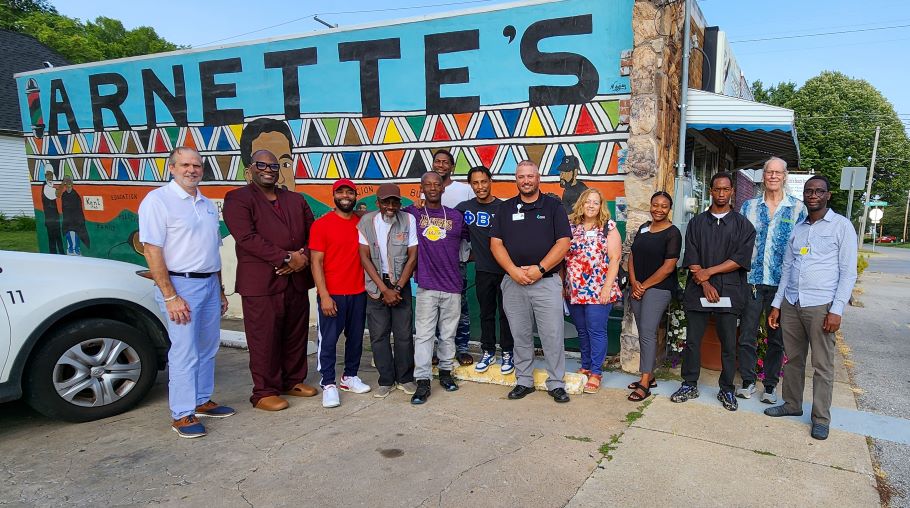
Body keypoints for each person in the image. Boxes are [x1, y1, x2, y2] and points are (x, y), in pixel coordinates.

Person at [138, 147, 234, 439]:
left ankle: (201, 399)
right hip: (181, 285)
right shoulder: (158, 201)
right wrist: (170, 295)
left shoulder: (205, 203)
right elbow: (152, 250)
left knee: (207, 348)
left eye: (197, 165)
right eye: (185, 165)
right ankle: (181, 413)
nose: (192, 170)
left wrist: (219, 290)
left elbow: (212, 251)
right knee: (184, 351)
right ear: (172, 168)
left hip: (207, 283)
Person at [223, 149, 318, 412]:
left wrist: (302, 257)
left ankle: (292, 380)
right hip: (262, 282)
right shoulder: (238, 199)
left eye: (273, 166)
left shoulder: (296, 200)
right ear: (250, 169)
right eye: (262, 165)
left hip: (296, 280)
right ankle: (264, 391)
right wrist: (286, 258)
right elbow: (246, 237)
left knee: (295, 333)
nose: (268, 170)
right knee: (264, 338)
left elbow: (314, 233)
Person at [765, 175, 857, 441]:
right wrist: (776, 304)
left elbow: (847, 272)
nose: (813, 194)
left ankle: (820, 418)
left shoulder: (842, 226)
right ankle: (792, 404)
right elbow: (787, 269)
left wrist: (836, 309)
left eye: (819, 191)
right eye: (809, 191)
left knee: (822, 365)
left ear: (828, 195)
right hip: (792, 303)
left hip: (821, 306)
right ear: (803, 195)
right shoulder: (799, 228)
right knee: (793, 359)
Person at [670, 171, 755, 412]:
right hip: (699, 291)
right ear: (710, 191)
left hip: (729, 291)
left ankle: (726, 388)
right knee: (693, 341)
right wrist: (705, 282)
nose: (721, 193)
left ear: (732, 192)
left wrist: (710, 273)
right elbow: (692, 255)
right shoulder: (697, 223)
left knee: (728, 344)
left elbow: (740, 259)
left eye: (725, 189)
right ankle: (689, 384)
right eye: (717, 189)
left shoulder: (742, 225)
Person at [491, 160, 572, 403]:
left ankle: (556, 383)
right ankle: (524, 380)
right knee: (520, 334)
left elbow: (563, 243)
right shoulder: (504, 210)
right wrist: (512, 270)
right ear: (516, 180)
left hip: (546, 282)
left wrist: (540, 268)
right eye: (521, 177)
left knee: (552, 335)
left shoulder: (553, 207)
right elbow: (496, 244)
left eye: (530, 176)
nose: (526, 181)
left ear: (538, 178)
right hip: (513, 282)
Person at [737, 157, 807, 403]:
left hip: (782, 285)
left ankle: (769, 385)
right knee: (747, 333)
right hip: (752, 281)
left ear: (785, 176)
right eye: (769, 172)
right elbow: (740, 242)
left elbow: (804, 248)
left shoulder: (797, 209)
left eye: (778, 172)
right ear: (763, 176)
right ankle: (747, 381)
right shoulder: (749, 207)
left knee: (776, 338)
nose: (774, 176)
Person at [404, 171, 469, 404]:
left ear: (443, 188)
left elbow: (471, 241)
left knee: (448, 335)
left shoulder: (455, 216)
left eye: (436, 184)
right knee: (424, 335)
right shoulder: (412, 214)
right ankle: (422, 381)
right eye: (427, 184)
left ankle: (445, 373)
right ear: (421, 188)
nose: (432, 188)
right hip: (427, 286)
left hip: (452, 285)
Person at [309, 178, 371, 408]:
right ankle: (328, 383)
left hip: (358, 291)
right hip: (333, 294)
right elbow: (316, 262)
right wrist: (324, 295)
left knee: (355, 339)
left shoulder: (362, 223)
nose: (346, 196)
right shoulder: (322, 225)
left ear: (356, 196)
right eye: (341, 192)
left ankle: (349, 377)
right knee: (329, 341)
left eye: (350, 192)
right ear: (334, 196)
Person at [357, 183, 419, 398]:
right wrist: (384, 290)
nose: (390, 206)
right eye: (386, 202)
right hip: (376, 286)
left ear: (400, 203)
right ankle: (386, 380)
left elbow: (413, 256)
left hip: (400, 284)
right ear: (378, 203)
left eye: (394, 202)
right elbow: (364, 257)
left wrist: (398, 287)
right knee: (379, 335)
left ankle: (405, 378)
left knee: (403, 335)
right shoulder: (367, 221)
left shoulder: (408, 220)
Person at [563, 188, 622, 394]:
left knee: (596, 330)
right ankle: (586, 366)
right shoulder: (571, 226)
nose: (591, 205)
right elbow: (563, 256)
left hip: (599, 289)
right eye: (587, 201)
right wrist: (564, 285)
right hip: (575, 289)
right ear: (581, 203)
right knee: (582, 330)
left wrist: (607, 287)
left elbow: (615, 259)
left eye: (595, 202)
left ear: (601, 206)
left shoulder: (608, 227)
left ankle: (596, 372)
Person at [456, 166, 514, 375]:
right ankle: (488, 351)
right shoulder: (464, 208)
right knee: (486, 314)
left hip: (506, 271)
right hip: (483, 271)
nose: (480, 187)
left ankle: (508, 352)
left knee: (506, 314)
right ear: (471, 185)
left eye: (483, 181)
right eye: (475, 183)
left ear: (490, 181)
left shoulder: (504, 207)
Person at [627, 191, 681, 401]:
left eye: (664, 206)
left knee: (648, 332)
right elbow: (632, 255)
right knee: (643, 332)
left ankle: (644, 382)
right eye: (655, 205)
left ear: (669, 209)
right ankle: (650, 377)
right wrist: (634, 282)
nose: (658, 209)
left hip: (658, 289)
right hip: (638, 286)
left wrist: (644, 286)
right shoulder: (643, 228)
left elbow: (668, 267)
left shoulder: (673, 233)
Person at [432, 149, 475, 365]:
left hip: (457, 259)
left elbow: (474, 222)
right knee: (431, 307)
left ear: (451, 167)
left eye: (445, 162)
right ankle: (434, 349)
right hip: (431, 260)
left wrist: (472, 252)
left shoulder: (464, 190)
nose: (440, 165)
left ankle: (462, 348)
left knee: (459, 305)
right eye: (437, 162)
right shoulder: (428, 188)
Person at [239, 118, 296, 191]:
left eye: (285, 164)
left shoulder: (304, 201)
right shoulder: (239, 201)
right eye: (262, 165)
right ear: (249, 175)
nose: (280, 179)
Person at [60, 176, 89, 256]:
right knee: (66, 231)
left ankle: (76, 247)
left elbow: (78, 206)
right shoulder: (64, 195)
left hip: (75, 217)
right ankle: (71, 246)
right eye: (67, 183)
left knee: (77, 231)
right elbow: (63, 206)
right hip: (67, 217)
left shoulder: (75, 194)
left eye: (70, 183)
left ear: (72, 184)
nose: (68, 185)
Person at [40, 169, 64, 254]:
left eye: (51, 175)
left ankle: (61, 254)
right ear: (45, 176)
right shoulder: (46, 187)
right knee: (53, 240)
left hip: (54, 219)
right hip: (51, 220)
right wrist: (63, 183)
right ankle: (55, 256)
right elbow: (57, 194)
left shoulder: (49, 186)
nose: (50, 177)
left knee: (58, 239)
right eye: (48, 175)